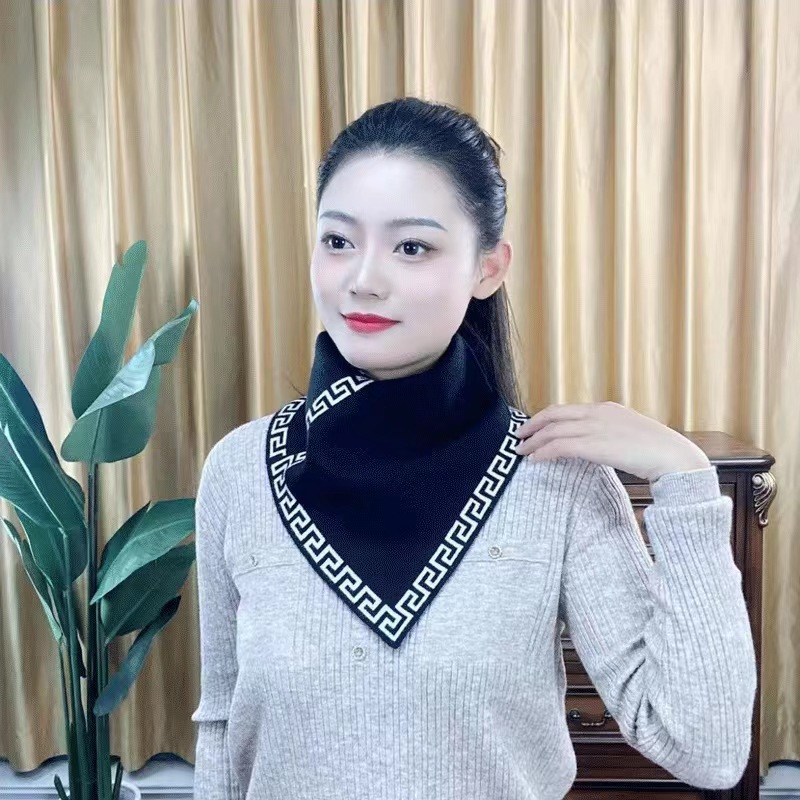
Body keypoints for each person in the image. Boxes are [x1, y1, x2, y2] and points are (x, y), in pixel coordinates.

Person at [191, 96, 757, 800]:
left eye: (412, 247)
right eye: (338, 241)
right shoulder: (239, 471)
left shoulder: (555, 480)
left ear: (489, 268)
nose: (363, 279)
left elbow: (707, 750)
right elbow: (221, 727)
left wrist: (687, 479)